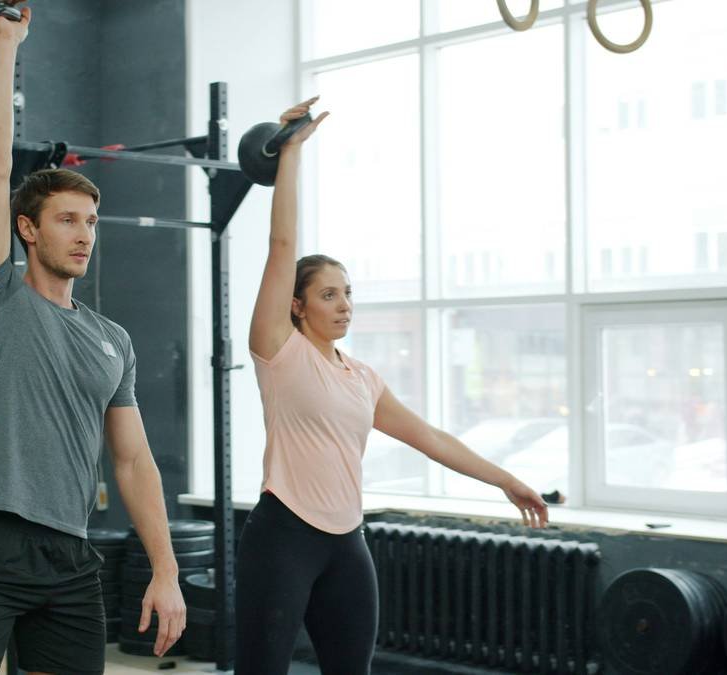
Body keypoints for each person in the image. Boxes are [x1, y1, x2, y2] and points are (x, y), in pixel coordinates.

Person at [235, 97, 550, 675]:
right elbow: (282, 248)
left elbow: (431, 438)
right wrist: (291, 155)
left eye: (348, 293)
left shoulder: (363, 379)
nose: (344, 305)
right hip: (282, 537)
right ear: (297, 307)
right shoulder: (279, 351)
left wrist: (507, 480)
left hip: (345, 543)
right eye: (329, 295)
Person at [0, 4, 185, 673]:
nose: (83, 234)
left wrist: (165, 567)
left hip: (69, 554)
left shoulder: (113, 339)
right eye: (66, 219)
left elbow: (132, 462)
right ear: (28, 229)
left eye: (90, 221)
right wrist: (8, 45)